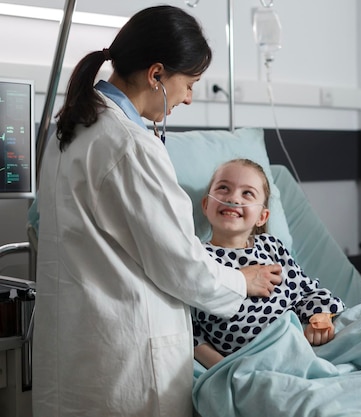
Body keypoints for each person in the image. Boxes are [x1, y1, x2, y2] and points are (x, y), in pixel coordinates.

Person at [32, 6, 282, 417]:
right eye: (190, 83)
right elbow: (181, 265)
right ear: (157, 75)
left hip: (78, 352)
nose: (189, 97)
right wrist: (241, 280)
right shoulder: (129, 144)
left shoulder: (72, 127)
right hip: (127, 366)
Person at [191, 158, 345, 369]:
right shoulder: (197, 258)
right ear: (206, 204)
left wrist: (320, 320)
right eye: (223, 188)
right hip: (253, 359)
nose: (233, 198)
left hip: (300, 339)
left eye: (247, 193)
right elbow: (190, 330)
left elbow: (306, 292)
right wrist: (223, 367)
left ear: (262, 217)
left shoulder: (271, 248)